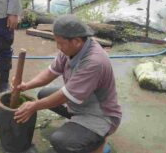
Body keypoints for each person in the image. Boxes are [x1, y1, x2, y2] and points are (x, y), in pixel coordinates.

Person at [13, 15, 122, 153]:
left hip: (100, 114)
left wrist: (33, 106)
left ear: (76, 41)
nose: (58, 47)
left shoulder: (94, 62)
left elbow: (66, 96)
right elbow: (51, 72)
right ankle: (80, 129)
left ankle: (98, 142)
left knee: (61, 141)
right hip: (81, 101)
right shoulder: (70, 48)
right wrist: (27, 85)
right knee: (43, 94)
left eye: (60, 43)